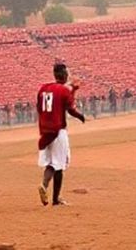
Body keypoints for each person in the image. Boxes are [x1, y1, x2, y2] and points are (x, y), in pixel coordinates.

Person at [37, 63, 85, 207]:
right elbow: (70, 109)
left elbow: (41, 107)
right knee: (60, 165)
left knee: (51, 163)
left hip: (45, 132)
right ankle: (55, 199)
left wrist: (71, 89)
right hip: (58, 131)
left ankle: (44, 185)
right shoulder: (63, 91)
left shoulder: (43, 89)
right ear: (64, 75)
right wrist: (81, 116)